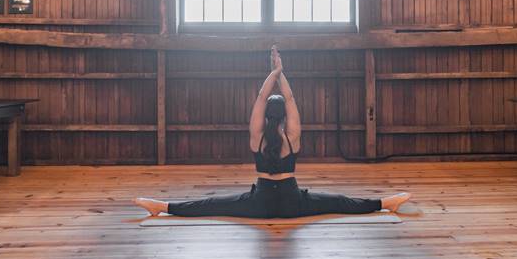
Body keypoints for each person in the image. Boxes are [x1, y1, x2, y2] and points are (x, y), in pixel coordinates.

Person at [134, 46, 411, 218]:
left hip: (260, 202)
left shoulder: (258, 136)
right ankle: (387, 202)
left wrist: (272, 73)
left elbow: (259, 97)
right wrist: (281, 72)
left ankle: (163, 206)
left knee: (211, 204)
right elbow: (290, 100)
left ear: (266, 115)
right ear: (285, 118)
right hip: (292, 202)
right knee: (339, 201)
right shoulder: (292, 136)